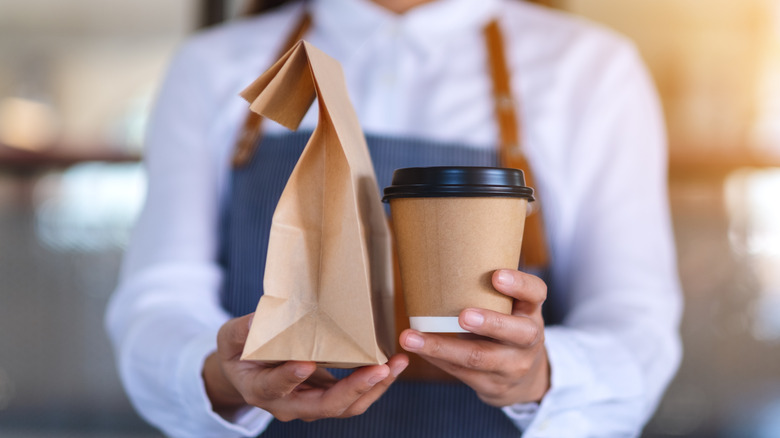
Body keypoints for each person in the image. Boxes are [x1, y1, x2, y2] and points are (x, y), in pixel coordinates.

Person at [105, 0, 683, 436]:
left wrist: (540, 376)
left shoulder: (588, 69)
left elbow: (637, 325)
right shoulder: (214, 66)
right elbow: (159, 299)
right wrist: (219, 373)